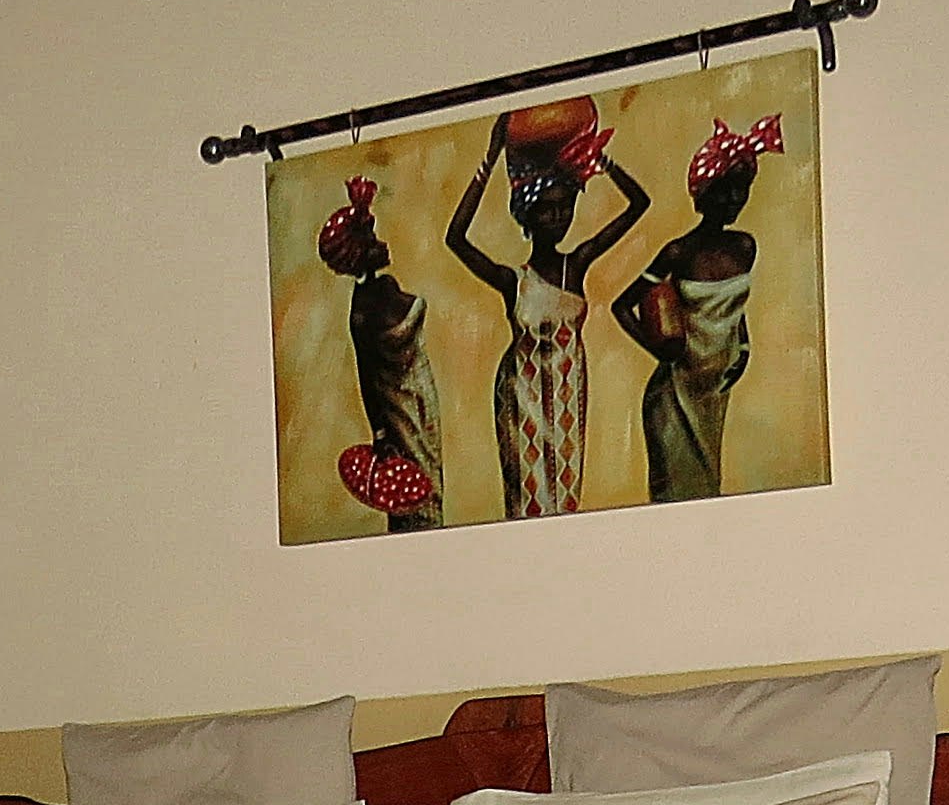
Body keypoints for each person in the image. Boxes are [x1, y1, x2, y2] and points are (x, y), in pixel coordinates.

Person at [448, 101, 650, 519]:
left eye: (565, 206)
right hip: (520, 395)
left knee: (566, 495)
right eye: (546, 208)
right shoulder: (514, 281)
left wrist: (598, 159)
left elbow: (639, 203)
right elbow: (456, 238)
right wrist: (490, 158)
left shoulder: (577, 264)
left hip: (567, 392)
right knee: (525, 499)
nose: (558, 217)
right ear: (527, 213)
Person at [613, 111, 782, 501]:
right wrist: (659, 348)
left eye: (741, 189)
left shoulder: (745, 247)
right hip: (673, 395)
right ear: (703, 193)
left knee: (708, 489)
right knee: (674, 495)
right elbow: (622, 306)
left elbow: (735, 312)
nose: (734, 200)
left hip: (713, 392)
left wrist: (743, 349)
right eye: (724, 190)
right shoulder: (679, 252)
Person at [315, 175, 443, 529]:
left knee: (428, 482)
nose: (378, 242)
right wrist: (381, 434)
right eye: (368, 237)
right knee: (415, 495)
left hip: (416, 403)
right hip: (400, 408)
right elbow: (367, 377)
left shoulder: (380, 291)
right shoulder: (366, 309)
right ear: (355, 252)